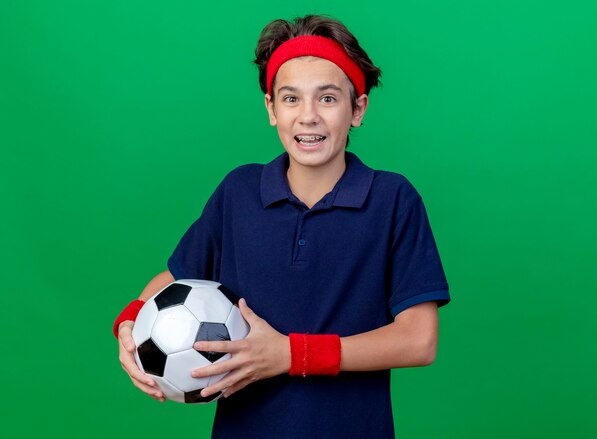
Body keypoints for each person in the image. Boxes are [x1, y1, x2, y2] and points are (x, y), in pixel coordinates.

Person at [115, 14, 451, 438]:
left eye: (327, 98)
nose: (308, 116)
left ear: (358, 109)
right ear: (271, 109)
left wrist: (292, 354)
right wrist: (130, 324)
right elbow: (175, 279)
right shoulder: (239, 191)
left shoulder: (393, 200)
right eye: (291, 99)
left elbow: (418, 340)